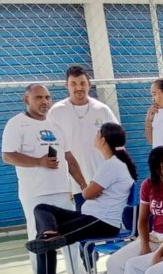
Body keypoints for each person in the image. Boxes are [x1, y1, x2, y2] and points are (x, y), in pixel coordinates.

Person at [22, 122, 135, 274]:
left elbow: (87, 194)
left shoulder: (113, 166)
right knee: (42, 209)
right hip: (90, 217)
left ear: (103, 140)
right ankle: (49, 234)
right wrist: (91, 187)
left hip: (102, 221)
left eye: (97, 133)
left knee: (43, 242)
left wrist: (90, 188)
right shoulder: (113, 165)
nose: (95, 136)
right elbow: (92, 191)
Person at [2, 83, 83, 274]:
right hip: (35, 193)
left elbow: (68, 157)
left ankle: (77, 272)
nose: (45, 101)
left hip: (62, 190)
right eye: (38, 97)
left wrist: (83, 185)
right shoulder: (16, 123)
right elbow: (8, 156)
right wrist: (39, 162)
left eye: (47, 97)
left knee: (69, 232)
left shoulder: (56, 125)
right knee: (39, 236)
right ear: (26, 100)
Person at [106, 146, 163, 274]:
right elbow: (143, 220)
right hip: (154, 237)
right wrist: (144, 245)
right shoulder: (148, 185)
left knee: (138, 266)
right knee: (114, 262)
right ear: (157, 167)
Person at [47, 65, 116, 195]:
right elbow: (51, 148)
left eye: (82, 83)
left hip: (102, 183)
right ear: (67, 85)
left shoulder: (102, 110)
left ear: (89, 84)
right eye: (73, 84)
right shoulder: (56, 112)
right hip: (71, 187)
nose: (79, 88)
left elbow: (117, 144)